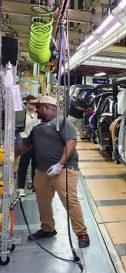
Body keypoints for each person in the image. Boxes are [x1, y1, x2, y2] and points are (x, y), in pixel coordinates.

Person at [16, 95, 89, 247]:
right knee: (42, 201)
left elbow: (71, 143)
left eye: (38, 108)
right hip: (42, 171)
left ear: (46, 108)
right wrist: (7, 155)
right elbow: (24, 146)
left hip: (64, 169)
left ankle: (81, 233)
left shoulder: (63, 123)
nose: (36, 110)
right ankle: (47, 229)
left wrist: (59, 165)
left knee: (70, 201)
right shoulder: (37, 128)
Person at [17, 95, 40, 197]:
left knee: (36, 165)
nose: (34, 105)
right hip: (25, 142)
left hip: (37, 143)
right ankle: (21, 187)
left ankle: (35, 186)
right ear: (26, 104)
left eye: (36, 103)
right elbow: (17, 128)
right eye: (32, 103)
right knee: (23, 165)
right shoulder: (22, 114)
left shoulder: (38, 114)